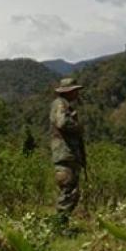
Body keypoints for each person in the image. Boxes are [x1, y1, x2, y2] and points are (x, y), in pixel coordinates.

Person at [50, 78, 86, 220]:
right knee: (68, 192)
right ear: (69, 92)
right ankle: (59, 225)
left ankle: (61, 224)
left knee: (71, 192)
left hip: (68, 156)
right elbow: (63, 123)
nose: (77, 93)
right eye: (75, 91)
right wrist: (77, 126)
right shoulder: (60, 104)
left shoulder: (64, 105)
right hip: (65, 155)